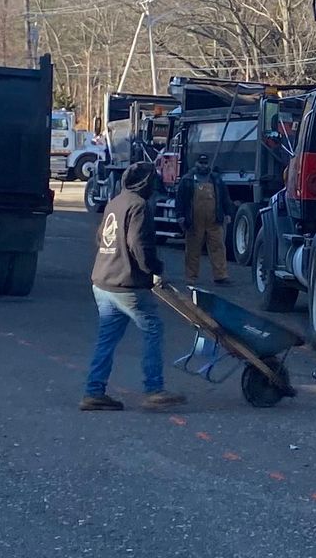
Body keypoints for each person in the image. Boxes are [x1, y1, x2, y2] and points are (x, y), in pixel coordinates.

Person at [82, 154, 177, 412]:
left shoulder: (115, 202)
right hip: (127, 284)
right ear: (145, 184)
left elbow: (101, 236)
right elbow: (138, 244)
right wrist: (153, 269)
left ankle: (94, 391)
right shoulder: (138, 206)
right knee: (153, 328)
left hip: (102, 281)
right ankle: (154, 388)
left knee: (107, 337)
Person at [182, 157, 230, 287]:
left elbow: (225, 197)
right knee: (192, 250)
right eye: (201, 163)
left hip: (214, 221)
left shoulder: (216, 179)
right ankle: (191, 277)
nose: (203, 166)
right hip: (194, 221)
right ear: (196, 163)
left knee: (218, 247)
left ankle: (221, 276)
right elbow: (181, 199)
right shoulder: (187, 180)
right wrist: (180, 216)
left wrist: (228, 213)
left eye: (205, 163)